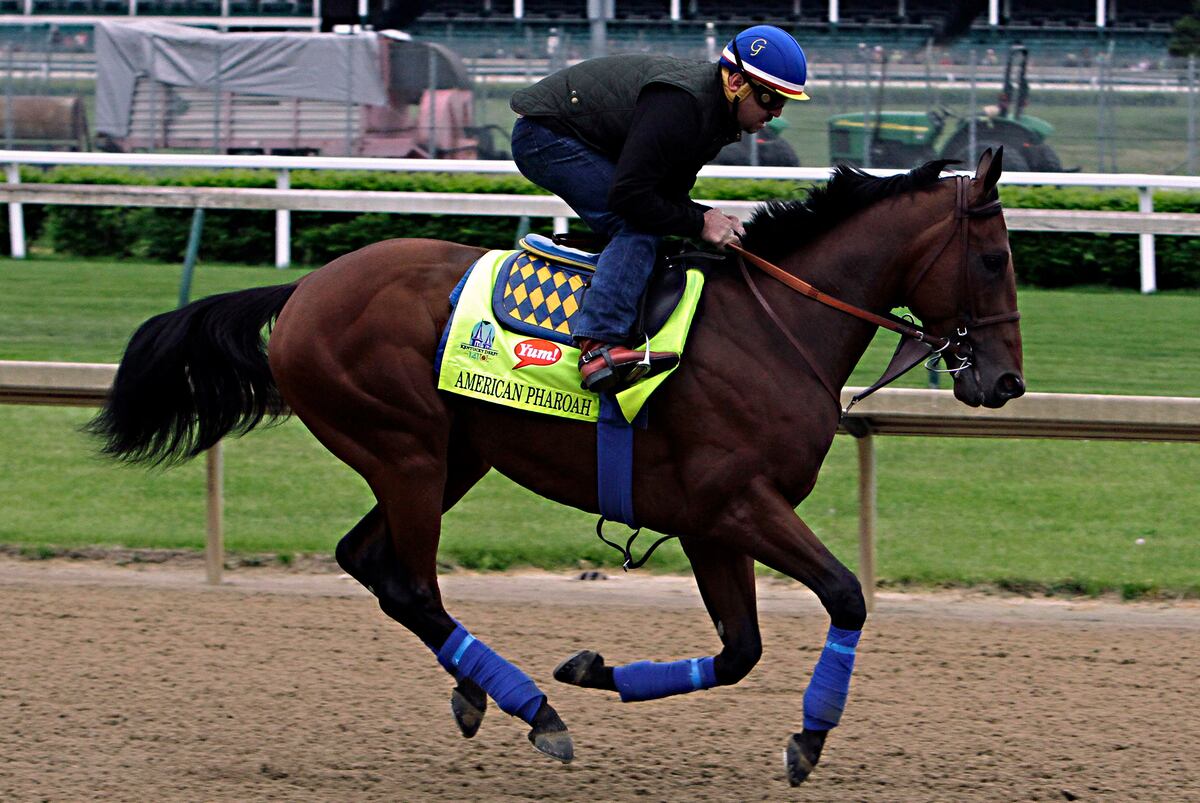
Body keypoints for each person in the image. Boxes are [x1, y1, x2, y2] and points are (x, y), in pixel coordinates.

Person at [509, 25, 809, 393]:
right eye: (768, 98)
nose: (776, 113)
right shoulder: (682, 106)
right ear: (735, 83)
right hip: (545, 136)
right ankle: (597, 346)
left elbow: (667, 195)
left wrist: (705, 217)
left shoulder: (715, 117)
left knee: (657, 219)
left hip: (588, 136)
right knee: (636, 225)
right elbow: (632, 199)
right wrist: (699, 221)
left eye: (784, 101)